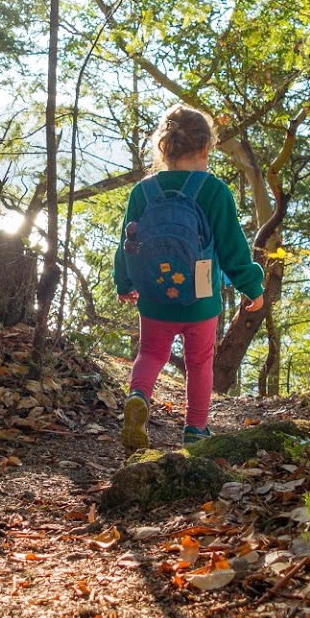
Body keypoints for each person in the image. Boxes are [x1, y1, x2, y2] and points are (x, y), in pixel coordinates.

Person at [114, 105, 264, 450]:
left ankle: (138, 395)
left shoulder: (144, 191)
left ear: (164, 149)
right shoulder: (214, 191)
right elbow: (232, 249)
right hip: (201, 298)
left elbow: (127, 244)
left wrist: (125, 283)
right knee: (199, 363)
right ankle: (195, 428)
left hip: (153, 295)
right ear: (206, 148)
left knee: (151, 352)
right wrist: (251, 287)